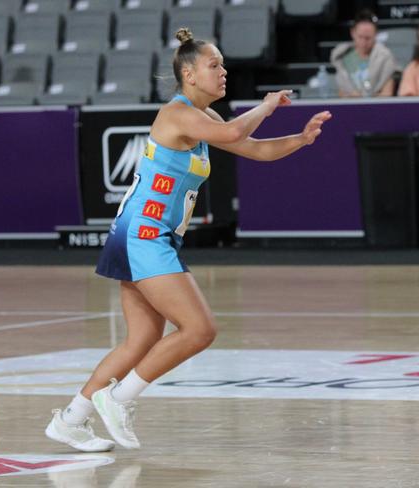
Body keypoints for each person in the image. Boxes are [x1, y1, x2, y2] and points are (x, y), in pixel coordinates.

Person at [44, 27, 332, 452]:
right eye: (214, 65)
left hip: (141, 235)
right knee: (200, 329)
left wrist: (302, 140)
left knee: (140, 341)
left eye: (223, 64)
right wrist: (267, 106)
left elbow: (256, 150)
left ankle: (71, 419)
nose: (223, 71)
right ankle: (117, 398)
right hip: (144, 235)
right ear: (189, 74)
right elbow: (238, 134)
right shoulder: (177, 114)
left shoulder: (207, 119)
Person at [330, 9, 397, 98]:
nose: (363, 42)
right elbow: (341, 92)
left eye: (368, 38)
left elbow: (387, 92)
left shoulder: (385, 58)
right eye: (360, 37)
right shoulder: (342, 57)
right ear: (352, 33)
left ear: (376, 35)